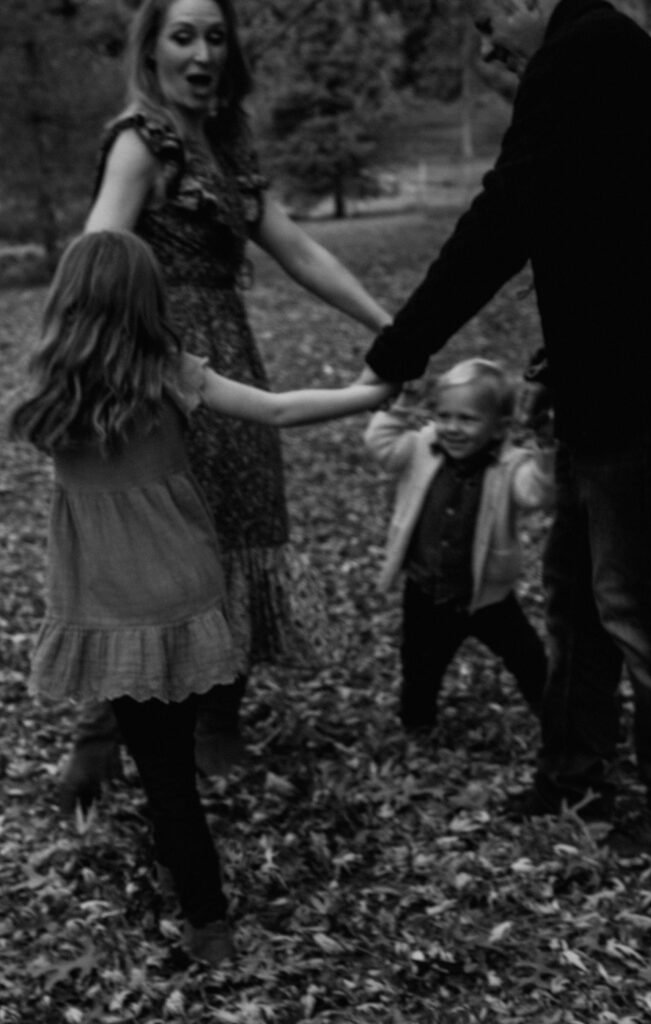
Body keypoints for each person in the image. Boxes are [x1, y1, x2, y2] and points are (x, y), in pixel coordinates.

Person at [9, 230, 390, 966]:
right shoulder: (169, 372)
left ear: (67, 300)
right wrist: (370, 393)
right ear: (149, 300)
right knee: (170, 760)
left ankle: (206, 918)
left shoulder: (49, 393)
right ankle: (180, 873)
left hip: (110, 603)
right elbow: (276, 411)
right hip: (182, 587)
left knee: (162, 771)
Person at [361, 0, 651, 845]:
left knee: (642, 609)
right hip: (599, 386)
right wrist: (564, 356)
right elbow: (615, 233)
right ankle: (572, 777)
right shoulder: (603, 55)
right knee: (575, 599)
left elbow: (507, 216)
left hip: (642, 396)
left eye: (485, 23)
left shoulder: (583, 54)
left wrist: (401, 347)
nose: (486, 46)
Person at [59, 0, 392, 810]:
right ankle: (103, 732)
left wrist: (391, 329)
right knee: (156, 544)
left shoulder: (227, 145)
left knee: (238, 528)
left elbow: (299, 250)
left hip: (229, 355)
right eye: (183, 36)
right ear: (151, 50)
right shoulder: (141, 141)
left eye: (215, 36)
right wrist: (95, 371)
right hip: (156, 368)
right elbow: (98, 255)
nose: (202, 53)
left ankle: (215, 718)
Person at [365, 358, 553, 732]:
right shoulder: (421, 447)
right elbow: (380, 444)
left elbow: (537, 493)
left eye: (467, 419)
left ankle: (555, 715)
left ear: (499, 427)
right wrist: (403, 405)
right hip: (425, 590)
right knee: (419, 665)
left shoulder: (511, 465)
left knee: (528, 656)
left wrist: (546, 446)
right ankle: (417, 728)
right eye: (444, 415)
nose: (452, 427)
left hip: (487, 594)